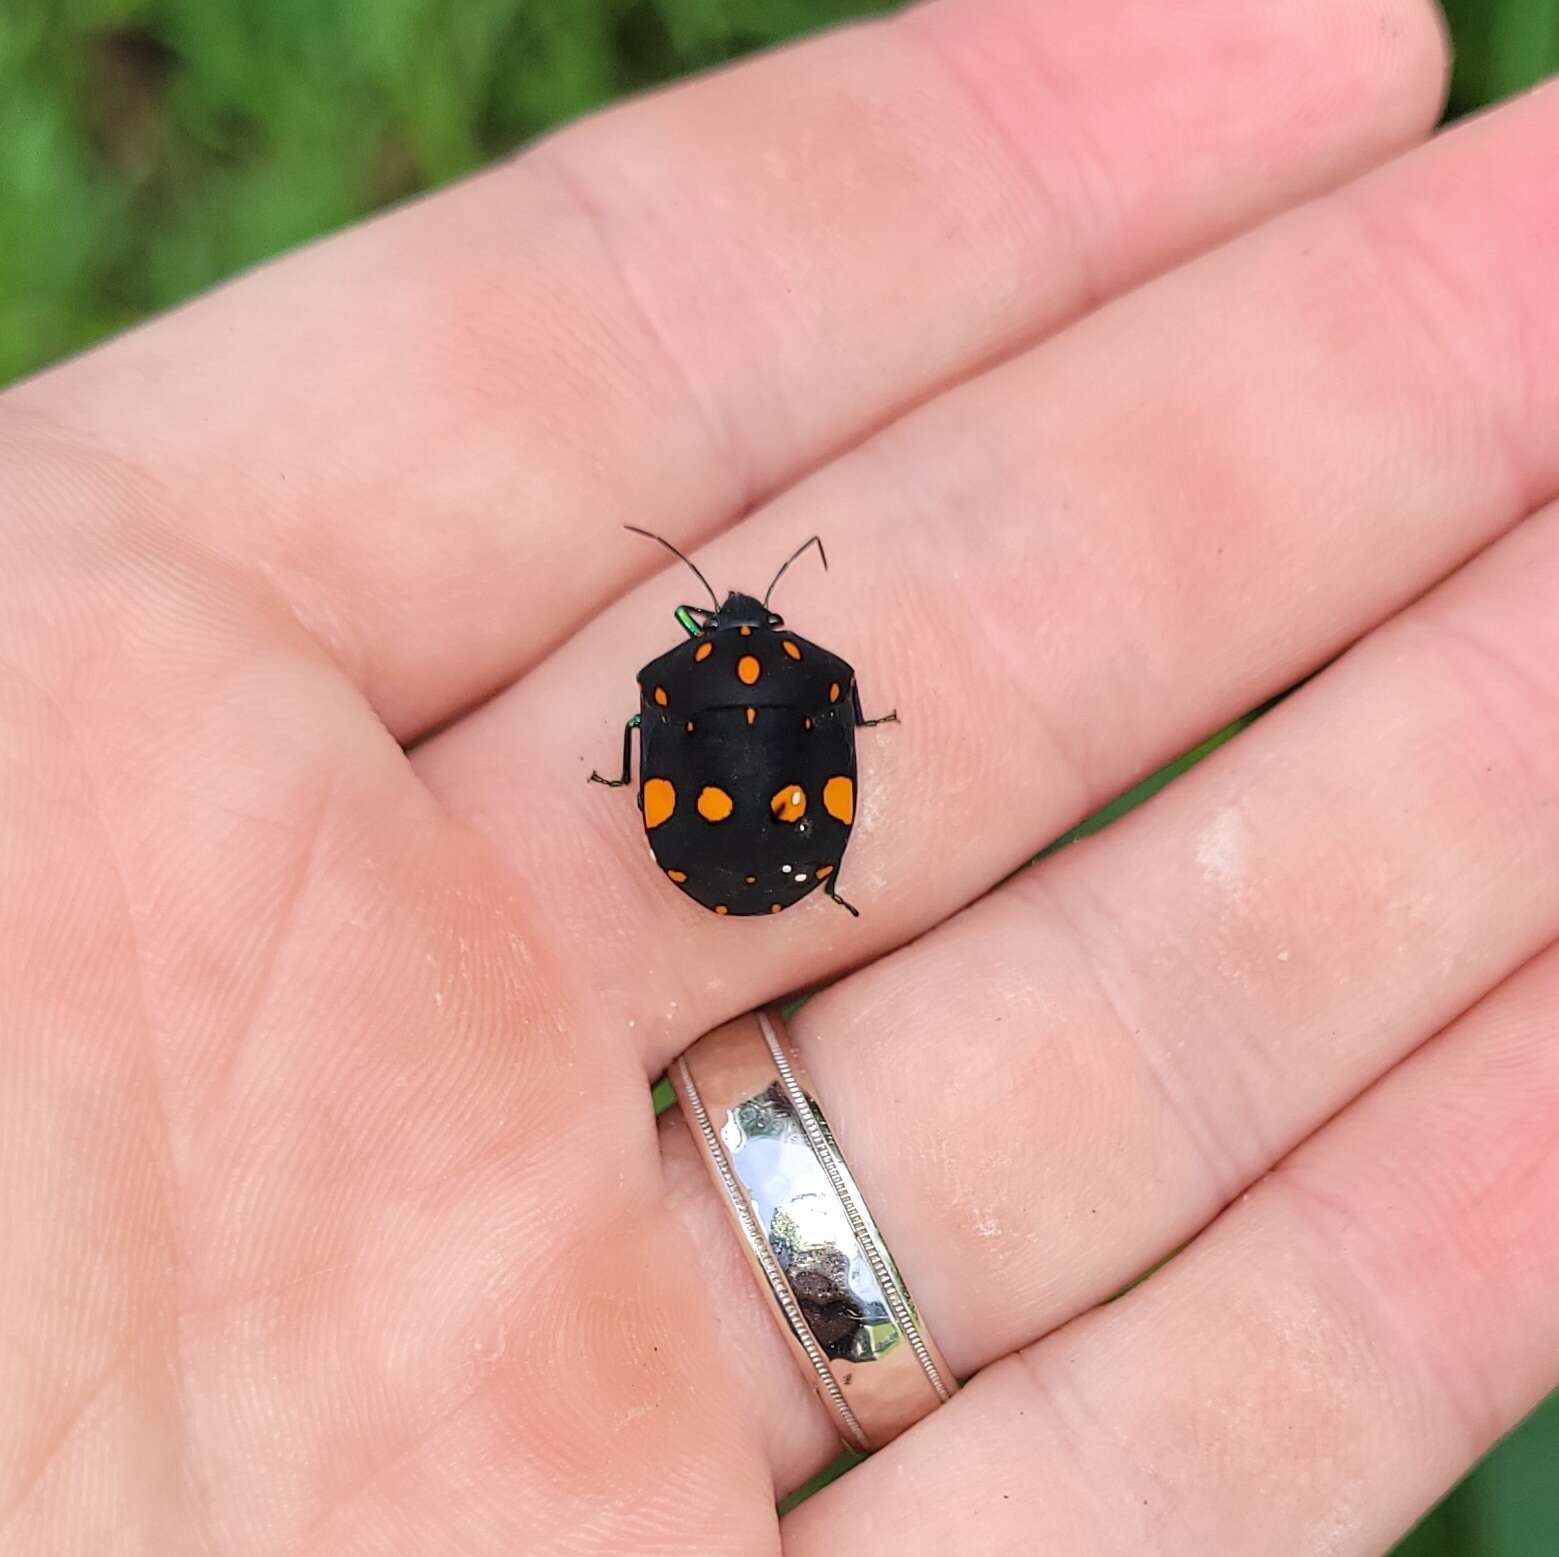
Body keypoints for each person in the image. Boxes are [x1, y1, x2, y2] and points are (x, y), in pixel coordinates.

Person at [2, 0, 1556, 1550]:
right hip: (766, 857)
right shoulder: (803, 683)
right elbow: (804, 725)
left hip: (736, 855)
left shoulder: (683, 687)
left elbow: (673, 748)